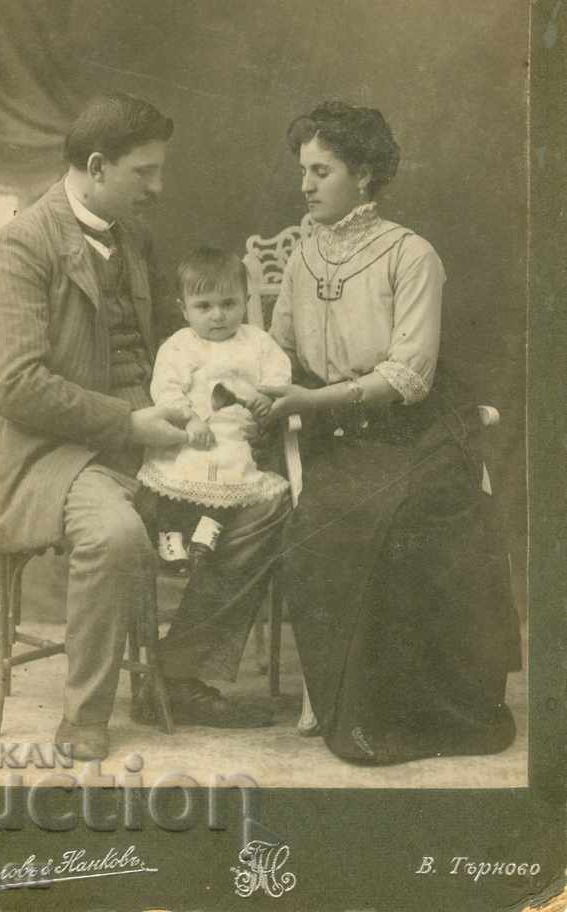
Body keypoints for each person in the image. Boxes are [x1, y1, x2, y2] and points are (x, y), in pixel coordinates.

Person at [0, 92, 290, 760]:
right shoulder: (18, 249)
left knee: (266, 503)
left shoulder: (131, 236)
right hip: (53, 454)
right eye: (144, 172)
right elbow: (16, 386)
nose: (158, 187)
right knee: (115, 537)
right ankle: (85, 714)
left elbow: (166, 345)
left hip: (145, 439)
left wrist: (216, 396)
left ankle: (175, 670)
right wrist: (131, 423)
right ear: (96, 165)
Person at [263, 100, 521, 766]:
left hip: (413, 427)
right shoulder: (301, 256)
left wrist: (315, 397)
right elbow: (277, 347)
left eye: (321, 171)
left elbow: (409, 373)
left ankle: (420, 709)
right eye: (303, 171)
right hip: (329, 433)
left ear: (366, 175)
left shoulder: (410, 256)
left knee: (411, 516)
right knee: (329, 522)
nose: (305, 185)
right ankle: (344, 698)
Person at [138, 246, 291, 575]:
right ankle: (171, 536)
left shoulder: (258, 342)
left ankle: (208, 531)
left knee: (235, 480)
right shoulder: (180, 345)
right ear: (184, 309)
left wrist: (266, 400)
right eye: (204, 306)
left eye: (228, 304)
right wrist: (189, 419)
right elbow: (165, 388)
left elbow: (279, 374)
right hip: (192, 435)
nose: (218, 316)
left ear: (246, 301)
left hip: (237, 435)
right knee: (175, 483)